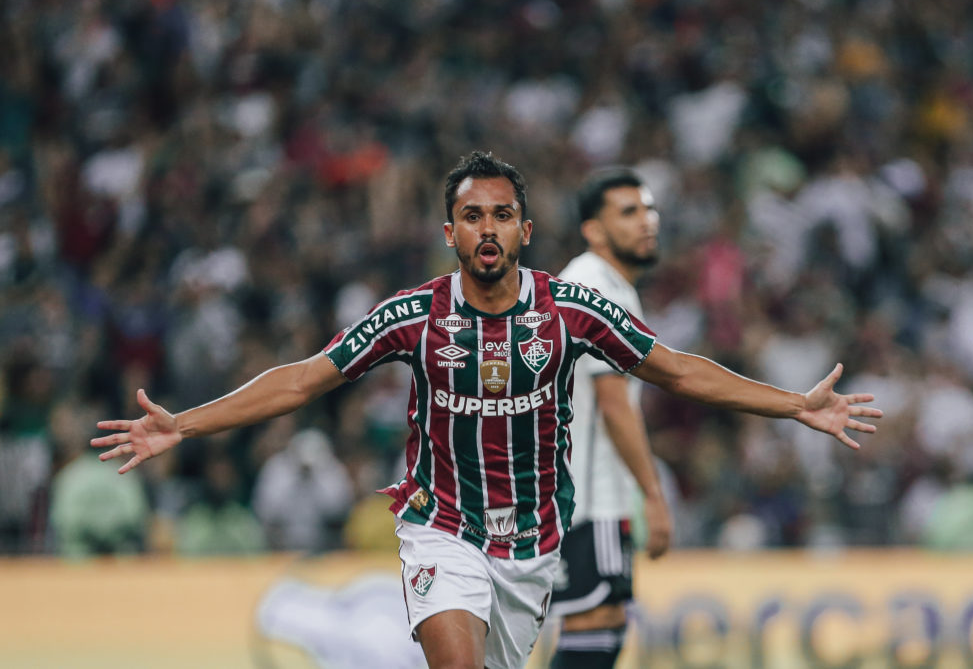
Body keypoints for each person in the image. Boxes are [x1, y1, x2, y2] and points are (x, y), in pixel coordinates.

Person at [92, 151, 882, 669]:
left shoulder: (570, 310)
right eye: (472, 216)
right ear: (450, 232)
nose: (488, 228)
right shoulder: (413, 315)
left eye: (502, 214)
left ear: (525, 230)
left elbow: (674, 369)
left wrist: (793, 405)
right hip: (441, 527)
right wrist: (184, 422)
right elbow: (303, 379)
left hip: (533, 545)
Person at [548, 167, 670, 668]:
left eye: (649, 209)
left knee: (605, 625)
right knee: (594, 624)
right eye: (629, 212)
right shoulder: (593, 286)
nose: (647, 221)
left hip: (589, 493)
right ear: (594, 230)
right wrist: (653, 496)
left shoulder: (609, 284)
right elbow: (613, 402)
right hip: (588, 495)